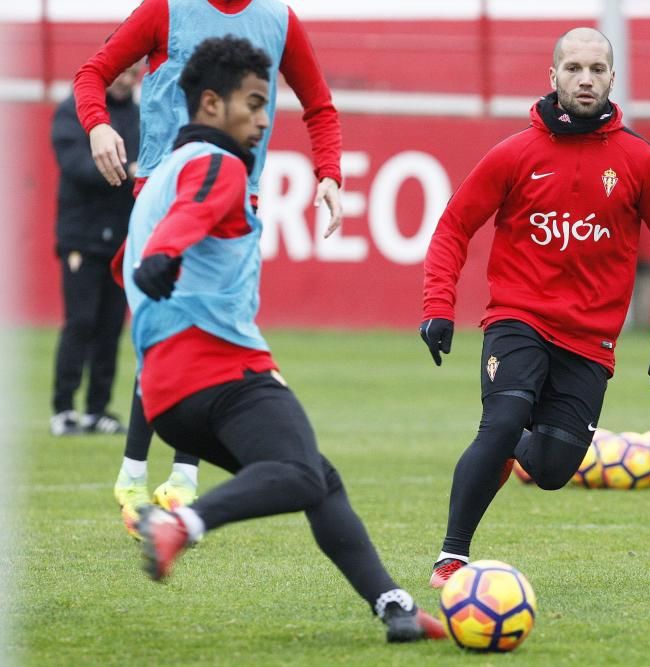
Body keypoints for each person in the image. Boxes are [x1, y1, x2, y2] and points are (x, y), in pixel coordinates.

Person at [124, 35, 445, 643]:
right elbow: (185, 224)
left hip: (166, 394)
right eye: (253, 103)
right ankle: (181, 524)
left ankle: (394, 607)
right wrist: (166, 254)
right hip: (217, 371)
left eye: (268, 104)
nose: (265, 119)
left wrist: (158, 260)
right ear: (211, 105)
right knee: (298, 473)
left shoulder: (162, 173)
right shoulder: (218, 166)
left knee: (316, 477)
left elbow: (138, 258)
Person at [419, 27, 650, 588]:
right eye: (574, 69)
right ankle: (452, 556)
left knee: (550, 470)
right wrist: (438, 305)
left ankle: (518, 440)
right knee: (499, 420)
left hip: (589, 341)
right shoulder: (515, 154)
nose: (586, 79)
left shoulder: (639, 160)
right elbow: (453, 226)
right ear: (553, 78)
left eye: (597, 69)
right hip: (517, 319)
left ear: (612, 78)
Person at [73, 0, 346, 535]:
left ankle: (177, 479)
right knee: (168, 329)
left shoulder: (279, 19)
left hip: (234, 198)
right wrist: (98, 126)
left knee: (209, 336)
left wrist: (330, 173)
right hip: (165, 192)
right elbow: (94, 72)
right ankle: (137, 477)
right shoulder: (164, 10)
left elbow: (319, 106)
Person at [50, 64, 141, 437]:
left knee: (110, 326)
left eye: (135, 72)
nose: (128, 78)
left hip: (122, 238)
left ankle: (97, 409)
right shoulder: (75, 111)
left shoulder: (138, 117)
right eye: (123, 70)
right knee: (80, 322)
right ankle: (64, 408)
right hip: (82, 238)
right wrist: (127, 170)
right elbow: (77, 167)